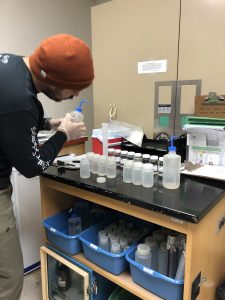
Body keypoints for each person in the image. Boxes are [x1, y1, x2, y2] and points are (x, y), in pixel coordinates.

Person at [0, 33, 94, 300]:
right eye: (73, 88)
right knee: (8, 279)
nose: (76, 94)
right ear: (52, 80)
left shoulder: (12, 64)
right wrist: (63, 133)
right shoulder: (20, 99)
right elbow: (33, 166)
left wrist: (49, 123)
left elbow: (11, 120)